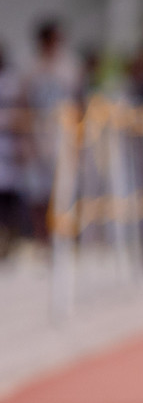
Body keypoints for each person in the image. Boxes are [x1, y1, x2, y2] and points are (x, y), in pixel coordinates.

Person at [22, 19, 81, 242]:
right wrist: (26, 140)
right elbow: (24, 104)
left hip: (63, 138)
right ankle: (42, 239)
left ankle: (64, 238)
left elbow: (78, 102)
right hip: (38, 137)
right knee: (38, 193)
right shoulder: (31, 71)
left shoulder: (70, 68)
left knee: (64, 190)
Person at [0, 44, 26, 258]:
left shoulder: (12, 82)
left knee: (10, 200)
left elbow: (22, 112)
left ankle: (10, 242)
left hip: (8, 147)